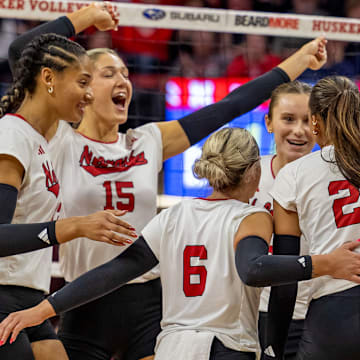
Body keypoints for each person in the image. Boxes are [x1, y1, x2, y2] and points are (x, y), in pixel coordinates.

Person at [7, 5, 328, 360]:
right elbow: (23, 55)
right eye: (108, 73)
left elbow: (230, 106)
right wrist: (87, 17)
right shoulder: (61, 140)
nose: (123, 81)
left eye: (126, 74)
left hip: (148, 302)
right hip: (87, 299)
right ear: (80, 84)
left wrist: (298, 61)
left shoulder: (148, 140)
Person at [1, 127, 360, 360]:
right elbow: (253, 269)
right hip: (226, 347)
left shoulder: (172, 216)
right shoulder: (251, 217)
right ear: (254, 172)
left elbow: (112, 272)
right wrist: (323, 263)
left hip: (172, 348)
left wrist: (44, 309)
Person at [0, 6, 138, 359]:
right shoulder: (11, 136)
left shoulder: (43, 140)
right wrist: (75, 226)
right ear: (48, 79)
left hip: (29, 293)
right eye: (82, 83)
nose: (90, 95)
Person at [262, 75, 360, 360]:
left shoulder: (294, 173)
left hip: (335, 309)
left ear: (315, 122)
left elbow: (287, 277)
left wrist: (274, 346)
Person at [250, 81, 313, 359]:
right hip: (254, 314)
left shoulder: (337, 181)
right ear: (269, 122)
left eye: (309, 120)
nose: (299, 130)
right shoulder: (248, 177)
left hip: (315, 315)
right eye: (288, 119)